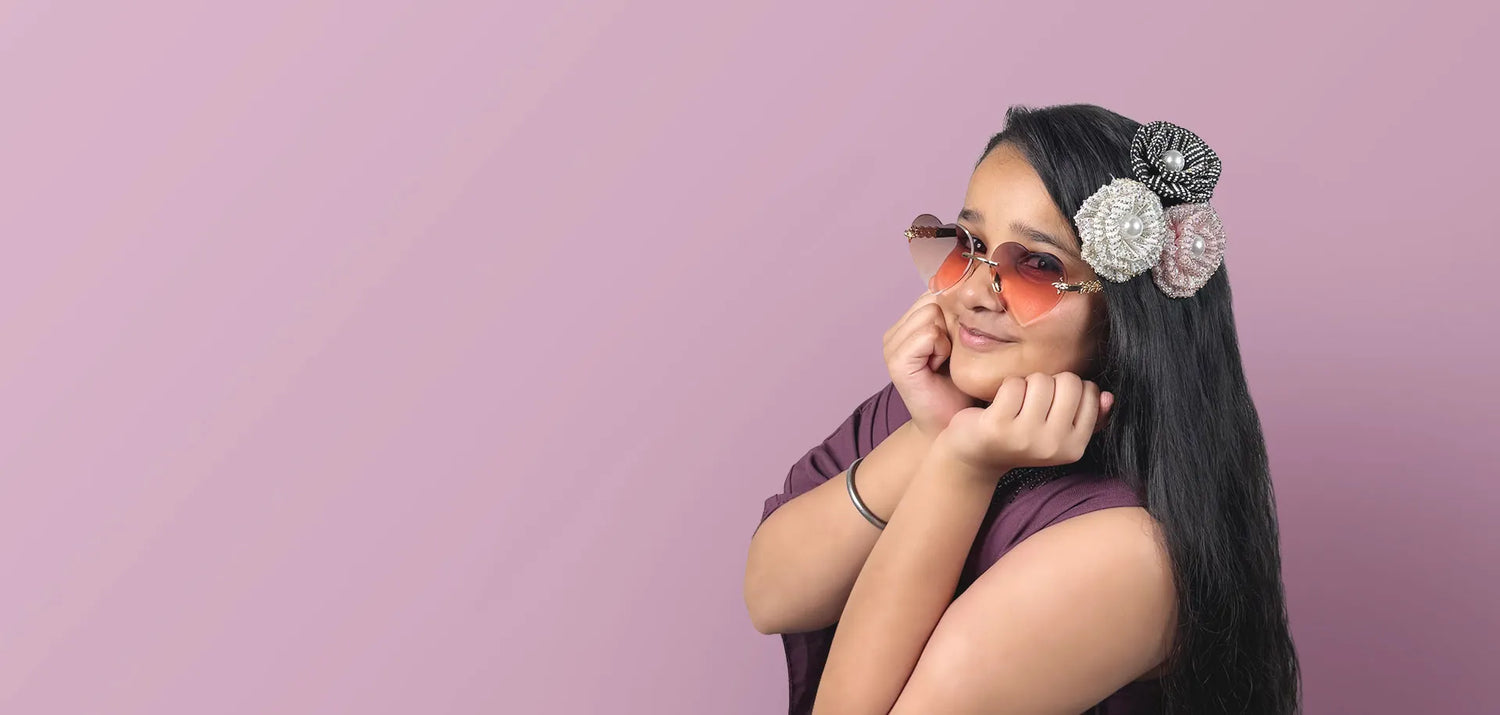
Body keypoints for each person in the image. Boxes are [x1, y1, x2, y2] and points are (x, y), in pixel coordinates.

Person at [743, 104, 1301, 714]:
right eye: (970, 245)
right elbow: (773, 598)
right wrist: (935, 435)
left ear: (1128, 312)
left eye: (1038, 265)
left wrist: (960, 465)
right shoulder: (936, 403)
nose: (975, 292)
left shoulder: (1128, 552)